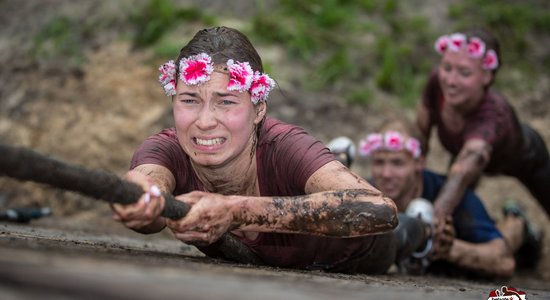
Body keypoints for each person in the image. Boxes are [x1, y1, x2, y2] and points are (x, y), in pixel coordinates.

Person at [110, 26, 401, 274]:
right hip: (286, 264)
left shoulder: (283, 146)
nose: (205, 122)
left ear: (259, 109)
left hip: (365, 250)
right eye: (189, 100)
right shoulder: (166, 149)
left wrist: (236, 211)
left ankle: (420, 228)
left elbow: (380, 211)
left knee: (408, 235)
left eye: (226, 101)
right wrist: (142, 201)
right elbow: (147, 185)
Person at [360, 118, 540, 278]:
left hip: (474, 251)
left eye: (397, 163)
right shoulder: (365, 192)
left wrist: (447, 248)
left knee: (510, 233)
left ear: (419, 162)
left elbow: (504, 262)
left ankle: (517, 219)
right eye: (379, 162)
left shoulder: (453, 197)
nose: (386, 173)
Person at [415, 28, 550, 221]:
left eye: (464, 72)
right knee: (458, 217)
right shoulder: (437, 81)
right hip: (462, 153)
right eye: (447, 67)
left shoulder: (493, 114)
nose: (451, 80)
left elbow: (461, 174)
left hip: (525, 158)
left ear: (487, 76)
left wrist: (430, 221)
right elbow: (419, 136)